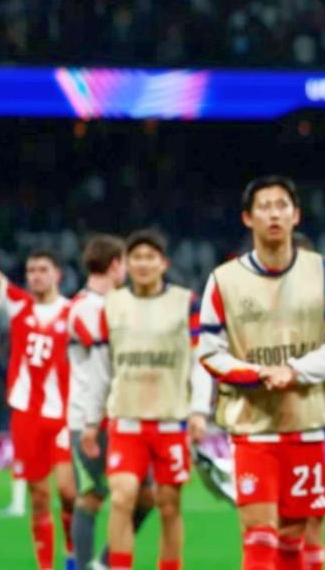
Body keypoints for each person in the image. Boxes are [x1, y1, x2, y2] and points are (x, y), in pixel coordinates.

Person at [197, 175, 325, 570]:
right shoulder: (223, 280)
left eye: (282, 206)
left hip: (308, 423)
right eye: (264, 207)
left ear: (296, 215)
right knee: (259, 533)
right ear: (247, 218)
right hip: (252, 425)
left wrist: (294, 371)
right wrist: (259, 373)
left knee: (292, 537)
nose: (274, 214)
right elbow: (209, 351)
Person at [78, 230, 211, 570]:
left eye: (150, 257)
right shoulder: (112, 305)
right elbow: (101, 369)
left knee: (168, 505)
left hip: (170, 421)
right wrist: (91, 421)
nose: (143, 264)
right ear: (126, 264)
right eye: (136, 257)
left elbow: (200, 361)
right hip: (126, 420)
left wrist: (199, 411)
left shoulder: (186, 302)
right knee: (122, 497)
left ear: (163, 263)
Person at [0, 193, 78, 570]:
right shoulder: (19, 304)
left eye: (43, 269)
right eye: (31, 270)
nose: (36, 275)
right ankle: (47, 566)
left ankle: (73, 554)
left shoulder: (74, 313)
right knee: (39, 497)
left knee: (68, 492)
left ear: (58, 274)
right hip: (25, 416)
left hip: (63, 415)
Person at [67, 234, 158, 569]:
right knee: (91, 496)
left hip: (123, 414)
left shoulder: (118, 305)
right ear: (116, 264)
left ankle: (102, 564)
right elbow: (111, 358)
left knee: (146, 496)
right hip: (88, 417)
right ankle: (86, 565)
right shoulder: (83, 308)